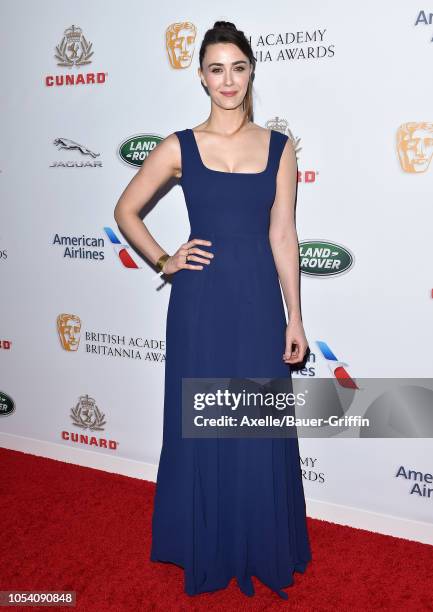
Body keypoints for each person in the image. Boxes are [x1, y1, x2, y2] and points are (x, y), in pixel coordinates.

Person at [114, 20, 312, 601]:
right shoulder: (179, 145)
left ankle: (257, 543)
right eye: (216, 69)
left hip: (256, 302)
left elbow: (284, 236)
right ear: (201, 76)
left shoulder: (279, 147)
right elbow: (126, 210)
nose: (228, 80)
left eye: (239, 67)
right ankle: (207, 542)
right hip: (200, 303)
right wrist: (163, 260)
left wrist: (295, 315)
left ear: (252, 72)